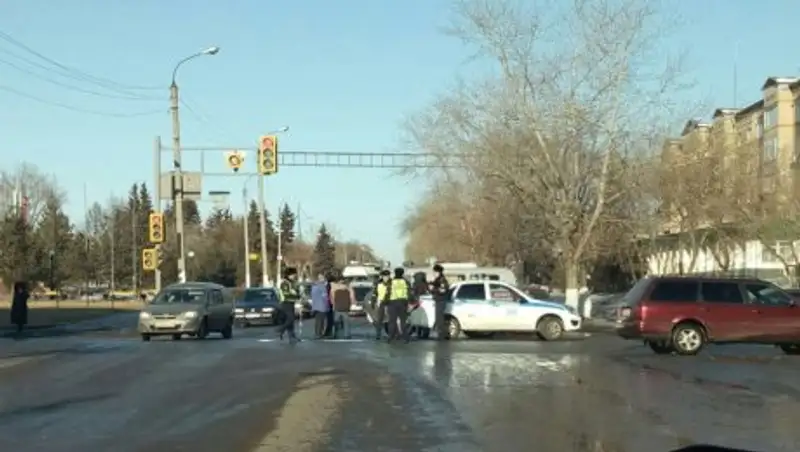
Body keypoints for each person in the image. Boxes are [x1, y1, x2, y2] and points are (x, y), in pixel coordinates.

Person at [387, 267, 411, 343]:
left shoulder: (391, 282)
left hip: (392, 303)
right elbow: (409, 293)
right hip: (403, 303)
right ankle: (405, 338)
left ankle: (390, 338)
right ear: (402, 273)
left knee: (392, 321)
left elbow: (387, 292)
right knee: (403, 321)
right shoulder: (406, 282)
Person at [277, 268, 301, 342]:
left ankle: (292, 337)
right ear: (289, 275)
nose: (294, 276)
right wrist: (296, 296)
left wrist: (298, 294)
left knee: (291, 321)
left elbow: (295, 291)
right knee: (291, 318)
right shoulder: (285, 283)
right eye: (293, 274)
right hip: (285, 303)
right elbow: (286, 294)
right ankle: (280, 329)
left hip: (291, 303)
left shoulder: (292, 282)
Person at [430, 264, 450, 340]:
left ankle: (442, 334)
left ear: (438, 272)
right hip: (438, 300)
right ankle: (442, 333)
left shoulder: (441, 280)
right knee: (439, 318)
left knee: (440, 318)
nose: (433, 274)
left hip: (441, 300)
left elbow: (443, 290)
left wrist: (434, 289)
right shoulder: (437, 280)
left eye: (434, 272)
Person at [373, 269, 392, 340]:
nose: (386, 278)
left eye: (387, 276)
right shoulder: (379, 283)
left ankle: (391, 334)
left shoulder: (392, 283)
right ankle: (378, 334)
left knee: (390, 320)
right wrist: (373, 300)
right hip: (381, 303)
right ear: (382, 276)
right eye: (384, 276)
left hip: (390, 303)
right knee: (379, 320)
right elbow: (375, 293)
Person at [310, 274, 330, 339]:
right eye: (323, 278)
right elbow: (325, 297)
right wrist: (327, 306)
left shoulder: (314, 286)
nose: (324, 279)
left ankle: (316, 333)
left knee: (317, 320)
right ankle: (319, 334)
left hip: (315, 306)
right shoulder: (322, 286)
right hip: (322, 306)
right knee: (321, 321)